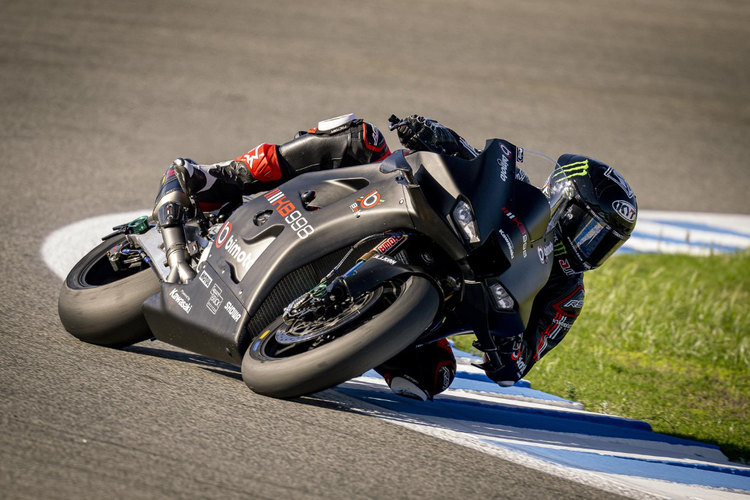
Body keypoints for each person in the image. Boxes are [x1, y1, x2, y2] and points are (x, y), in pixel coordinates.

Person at [155, 113, 637, 401]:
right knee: (358, 135)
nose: (587, 243)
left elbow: (517, 365)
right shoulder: (519, 195)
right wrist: (434, 134)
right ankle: (217, 179)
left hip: (441, 300)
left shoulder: (566, 295)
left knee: (433, 376)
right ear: (561, 198)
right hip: (407, 218)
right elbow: (467, 165)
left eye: (603, 241)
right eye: (586, 225)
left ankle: (334, 333)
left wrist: (506, 343)